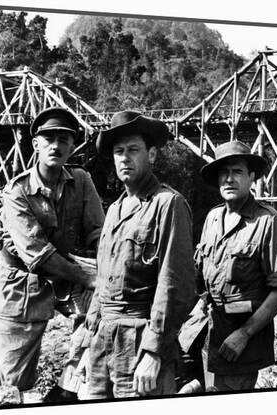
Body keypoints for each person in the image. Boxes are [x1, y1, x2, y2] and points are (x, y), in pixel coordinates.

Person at [0, 107, 105, 403]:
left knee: (110, 311)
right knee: (15, 385)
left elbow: (97, 232)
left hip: (63, 279)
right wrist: (92, 277)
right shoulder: (18, 192)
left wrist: (108, 267)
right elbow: (38, 255)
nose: (56, 145)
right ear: (35, 144)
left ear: (72, 146)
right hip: (19, 286)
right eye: (48, 138)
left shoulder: (81, 180)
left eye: (64, 139)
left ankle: (66, 390)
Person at [79, 111, 196, 399]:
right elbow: (103, 281)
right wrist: (85, 341)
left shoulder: (168, 205)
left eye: (133, 150)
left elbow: (175, 285)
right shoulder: (115, 209)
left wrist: (154, 351)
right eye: (118, 151)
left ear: (152, 155)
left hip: (139, 339)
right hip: (100, 341)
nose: (124, 158)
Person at [185, 140, 277, 392]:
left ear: (251, 177)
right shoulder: (212, 218)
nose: (229, 179)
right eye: (223, 173)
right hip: (204, 332)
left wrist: (244, 334)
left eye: (237, 171)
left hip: (240, 341)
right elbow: (201, 276)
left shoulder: (268, 221)